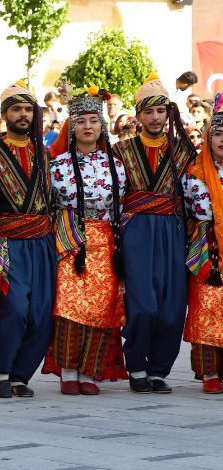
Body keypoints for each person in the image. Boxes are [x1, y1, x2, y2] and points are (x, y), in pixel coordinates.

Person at [112, 72, 195, 393]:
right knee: (143, 305)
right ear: (138, 115)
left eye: (161, 111)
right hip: (137, 232)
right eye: (149, 112)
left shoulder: (184, 151)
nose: (156, 117)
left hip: (173, 231)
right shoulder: (121, 150)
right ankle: (136, 366)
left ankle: (159, 370)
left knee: (173, 307)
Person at [43, 86, 127, 395]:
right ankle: (68, 370)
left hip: (104, 241)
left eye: (93, 121)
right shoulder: (58, 166)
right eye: (81, 121)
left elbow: (122, 209)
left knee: (101, 307)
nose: (88, 127)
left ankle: (90, 371)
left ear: (102, 126)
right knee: (69, 306)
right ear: (71, 127)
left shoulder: (116, 166)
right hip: (70, 240)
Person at [0, 81, 55, 399]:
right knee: (15, 309)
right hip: (7, 242)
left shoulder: (45, 154)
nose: (23, 114)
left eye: (27, 109)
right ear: (4, 115)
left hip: (42, 240)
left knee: (41, 313)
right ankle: (1, 370)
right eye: (16, 109)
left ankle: (20, 375)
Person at [182, 94, 223, 394]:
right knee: (206, 306)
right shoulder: (194, 174)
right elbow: (186, 213)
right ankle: (209, 373)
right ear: (208, 138)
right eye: (218, 133)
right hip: (206, 246)